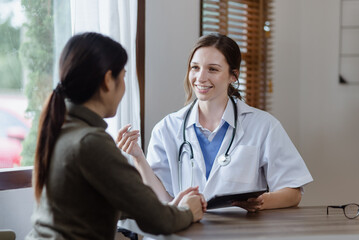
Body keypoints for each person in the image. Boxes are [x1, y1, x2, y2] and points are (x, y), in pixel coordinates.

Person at [26, 32, 205, 240]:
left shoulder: (62, 128)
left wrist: (169, 208)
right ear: (107, 81)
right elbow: (160, 222)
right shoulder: (90, 141)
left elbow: (97, 203)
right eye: (123, 76)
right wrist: (189, 211)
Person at [120, 33, 313, 213]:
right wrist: (138, 158)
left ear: (233, 76)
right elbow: (163, 201)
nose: (201, 77)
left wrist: (261, 202)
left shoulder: (263, 126)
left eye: (212, 69)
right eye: (195, 67)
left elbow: (293, 192)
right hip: (186, 233)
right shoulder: (167, 128)